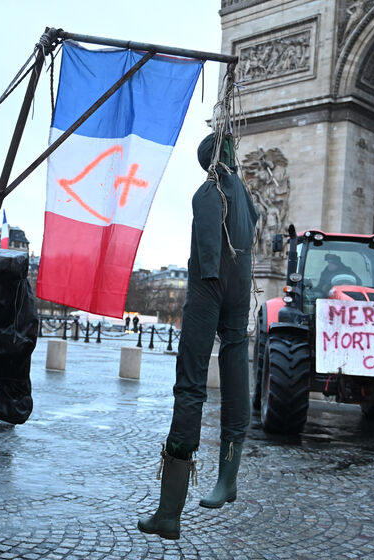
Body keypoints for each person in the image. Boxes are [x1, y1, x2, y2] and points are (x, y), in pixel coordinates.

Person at [137, 132, 258, 540]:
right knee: (236, 367)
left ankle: (169, 512)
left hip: (209, 289)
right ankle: (228, 476)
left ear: (208, 162)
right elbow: (253, 226)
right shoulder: (244, 195)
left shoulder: (208, 193)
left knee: (190, 388)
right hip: (241, 289)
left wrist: (209, 278)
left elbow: (208, 253)